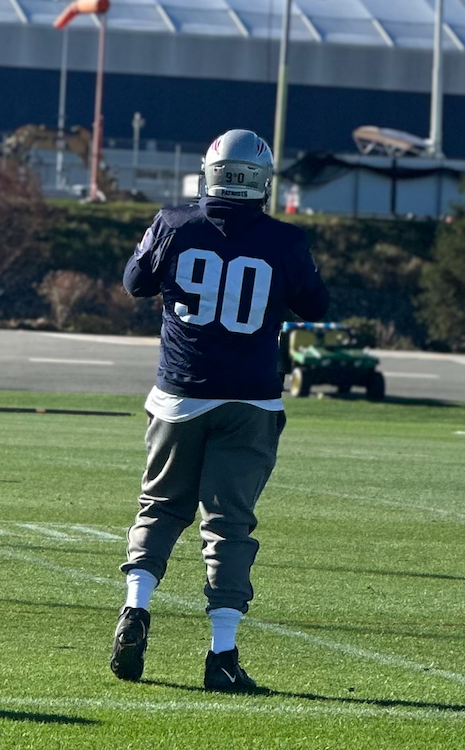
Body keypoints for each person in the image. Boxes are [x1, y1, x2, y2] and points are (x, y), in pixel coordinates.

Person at [111, 129, 329, 692]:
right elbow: (316, 304)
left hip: (180, 393)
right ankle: (221, 654)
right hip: (251, 398)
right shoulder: (285, 239)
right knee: (228, 526)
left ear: (209, 172)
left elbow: (135, 282)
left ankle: (135, 608)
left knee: (160, 508)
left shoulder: (174, 224)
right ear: (262, 180)